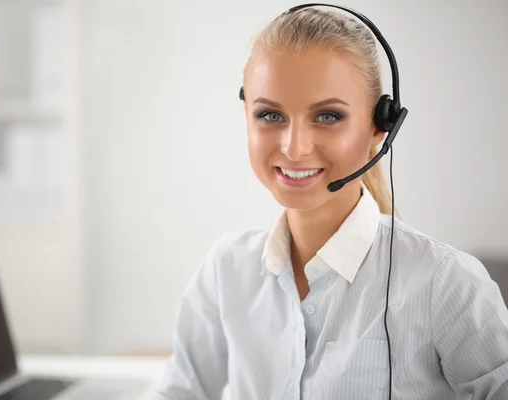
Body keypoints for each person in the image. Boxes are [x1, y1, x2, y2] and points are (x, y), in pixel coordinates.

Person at [153, 6, 508, 400]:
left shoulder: (445, 283)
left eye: (327, 116)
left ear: (379, 127)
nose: (294, 147)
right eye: (270, 114)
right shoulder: (226, 270)